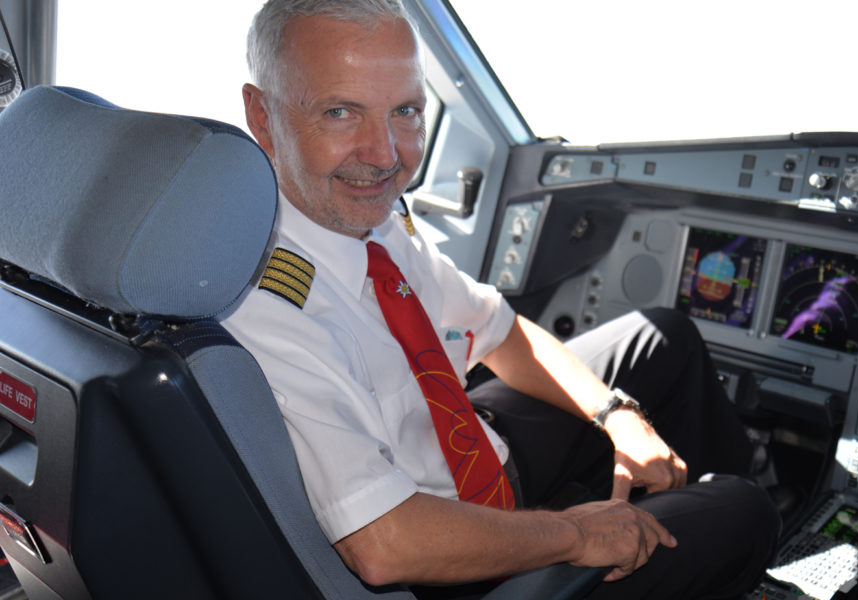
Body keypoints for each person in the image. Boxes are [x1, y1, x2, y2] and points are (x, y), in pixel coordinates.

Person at [222, 1, 779, 597]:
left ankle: (694, 516)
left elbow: (499, 331)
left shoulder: (372, 220)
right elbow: (384, 544)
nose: (385, 156)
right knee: (746, 511)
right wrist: (576, 534)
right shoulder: (260, 300)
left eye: (405, 111)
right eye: (340, 112)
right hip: (441, 547)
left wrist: (615, 416)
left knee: (663, 337)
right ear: (263, 115)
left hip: (471, 446)